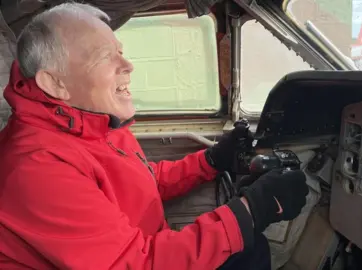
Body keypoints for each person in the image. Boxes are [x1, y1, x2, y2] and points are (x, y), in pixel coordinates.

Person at [0, 3, 310, 270]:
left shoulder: (94, 124)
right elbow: (134, 264)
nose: (128, 65)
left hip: (141, 252)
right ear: (55, 85)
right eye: (104, 57)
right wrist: (251, 210)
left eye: (120, 52)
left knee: (250, 250)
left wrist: (211, 160)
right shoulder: (37, 167)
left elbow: (141, 183)